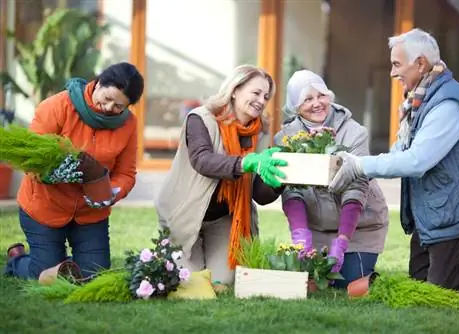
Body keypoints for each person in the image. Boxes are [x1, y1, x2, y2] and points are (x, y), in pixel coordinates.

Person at [329, 28, 459, 298]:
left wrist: (360, 166)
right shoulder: (419, 102)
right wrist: (362, 164)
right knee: (420, 280)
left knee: (447, 291)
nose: (392, 73)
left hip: (455, 215)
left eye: (397, 64)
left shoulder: (448, 103)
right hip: (433, 214)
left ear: (420, 63)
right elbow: (400, 151)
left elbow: (417, 161)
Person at [5, 62, 144, 280]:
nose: (109, 108)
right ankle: (17, 259)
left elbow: (126, 174)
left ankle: (68, 261)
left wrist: (112, 193)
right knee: (46, 274)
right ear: (98, 84)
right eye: (107, 99)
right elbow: (30, 161)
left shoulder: (128, 124)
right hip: (45, 207)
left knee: (92, 276)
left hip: (90, 214)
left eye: (119, 106)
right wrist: (51, 174)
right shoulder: (57, 106)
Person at [155, 65, 287, 286]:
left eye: (266, 96)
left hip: (223, 218)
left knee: (222, 281)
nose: (262, 100)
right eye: (256, 93)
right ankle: (168, 252)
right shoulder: (200, 119)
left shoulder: (259, 131)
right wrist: (246, 162)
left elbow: (258, 195)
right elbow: (202, 160)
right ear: (235, 89)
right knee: (189, 282)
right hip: (184, 213)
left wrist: (279, 180)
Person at [274, 70, 389, 288]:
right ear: (296, 107)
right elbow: (291, 189)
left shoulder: (355, 133)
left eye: (321, 95)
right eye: (308, 99)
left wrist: (343, 240)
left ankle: (362, 267)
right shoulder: (285, 138)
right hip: (316, 230)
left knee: (349, 283)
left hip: (359, 228)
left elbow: (357, 187)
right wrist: (300, 237)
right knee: (315, 283)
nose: (317, 103)